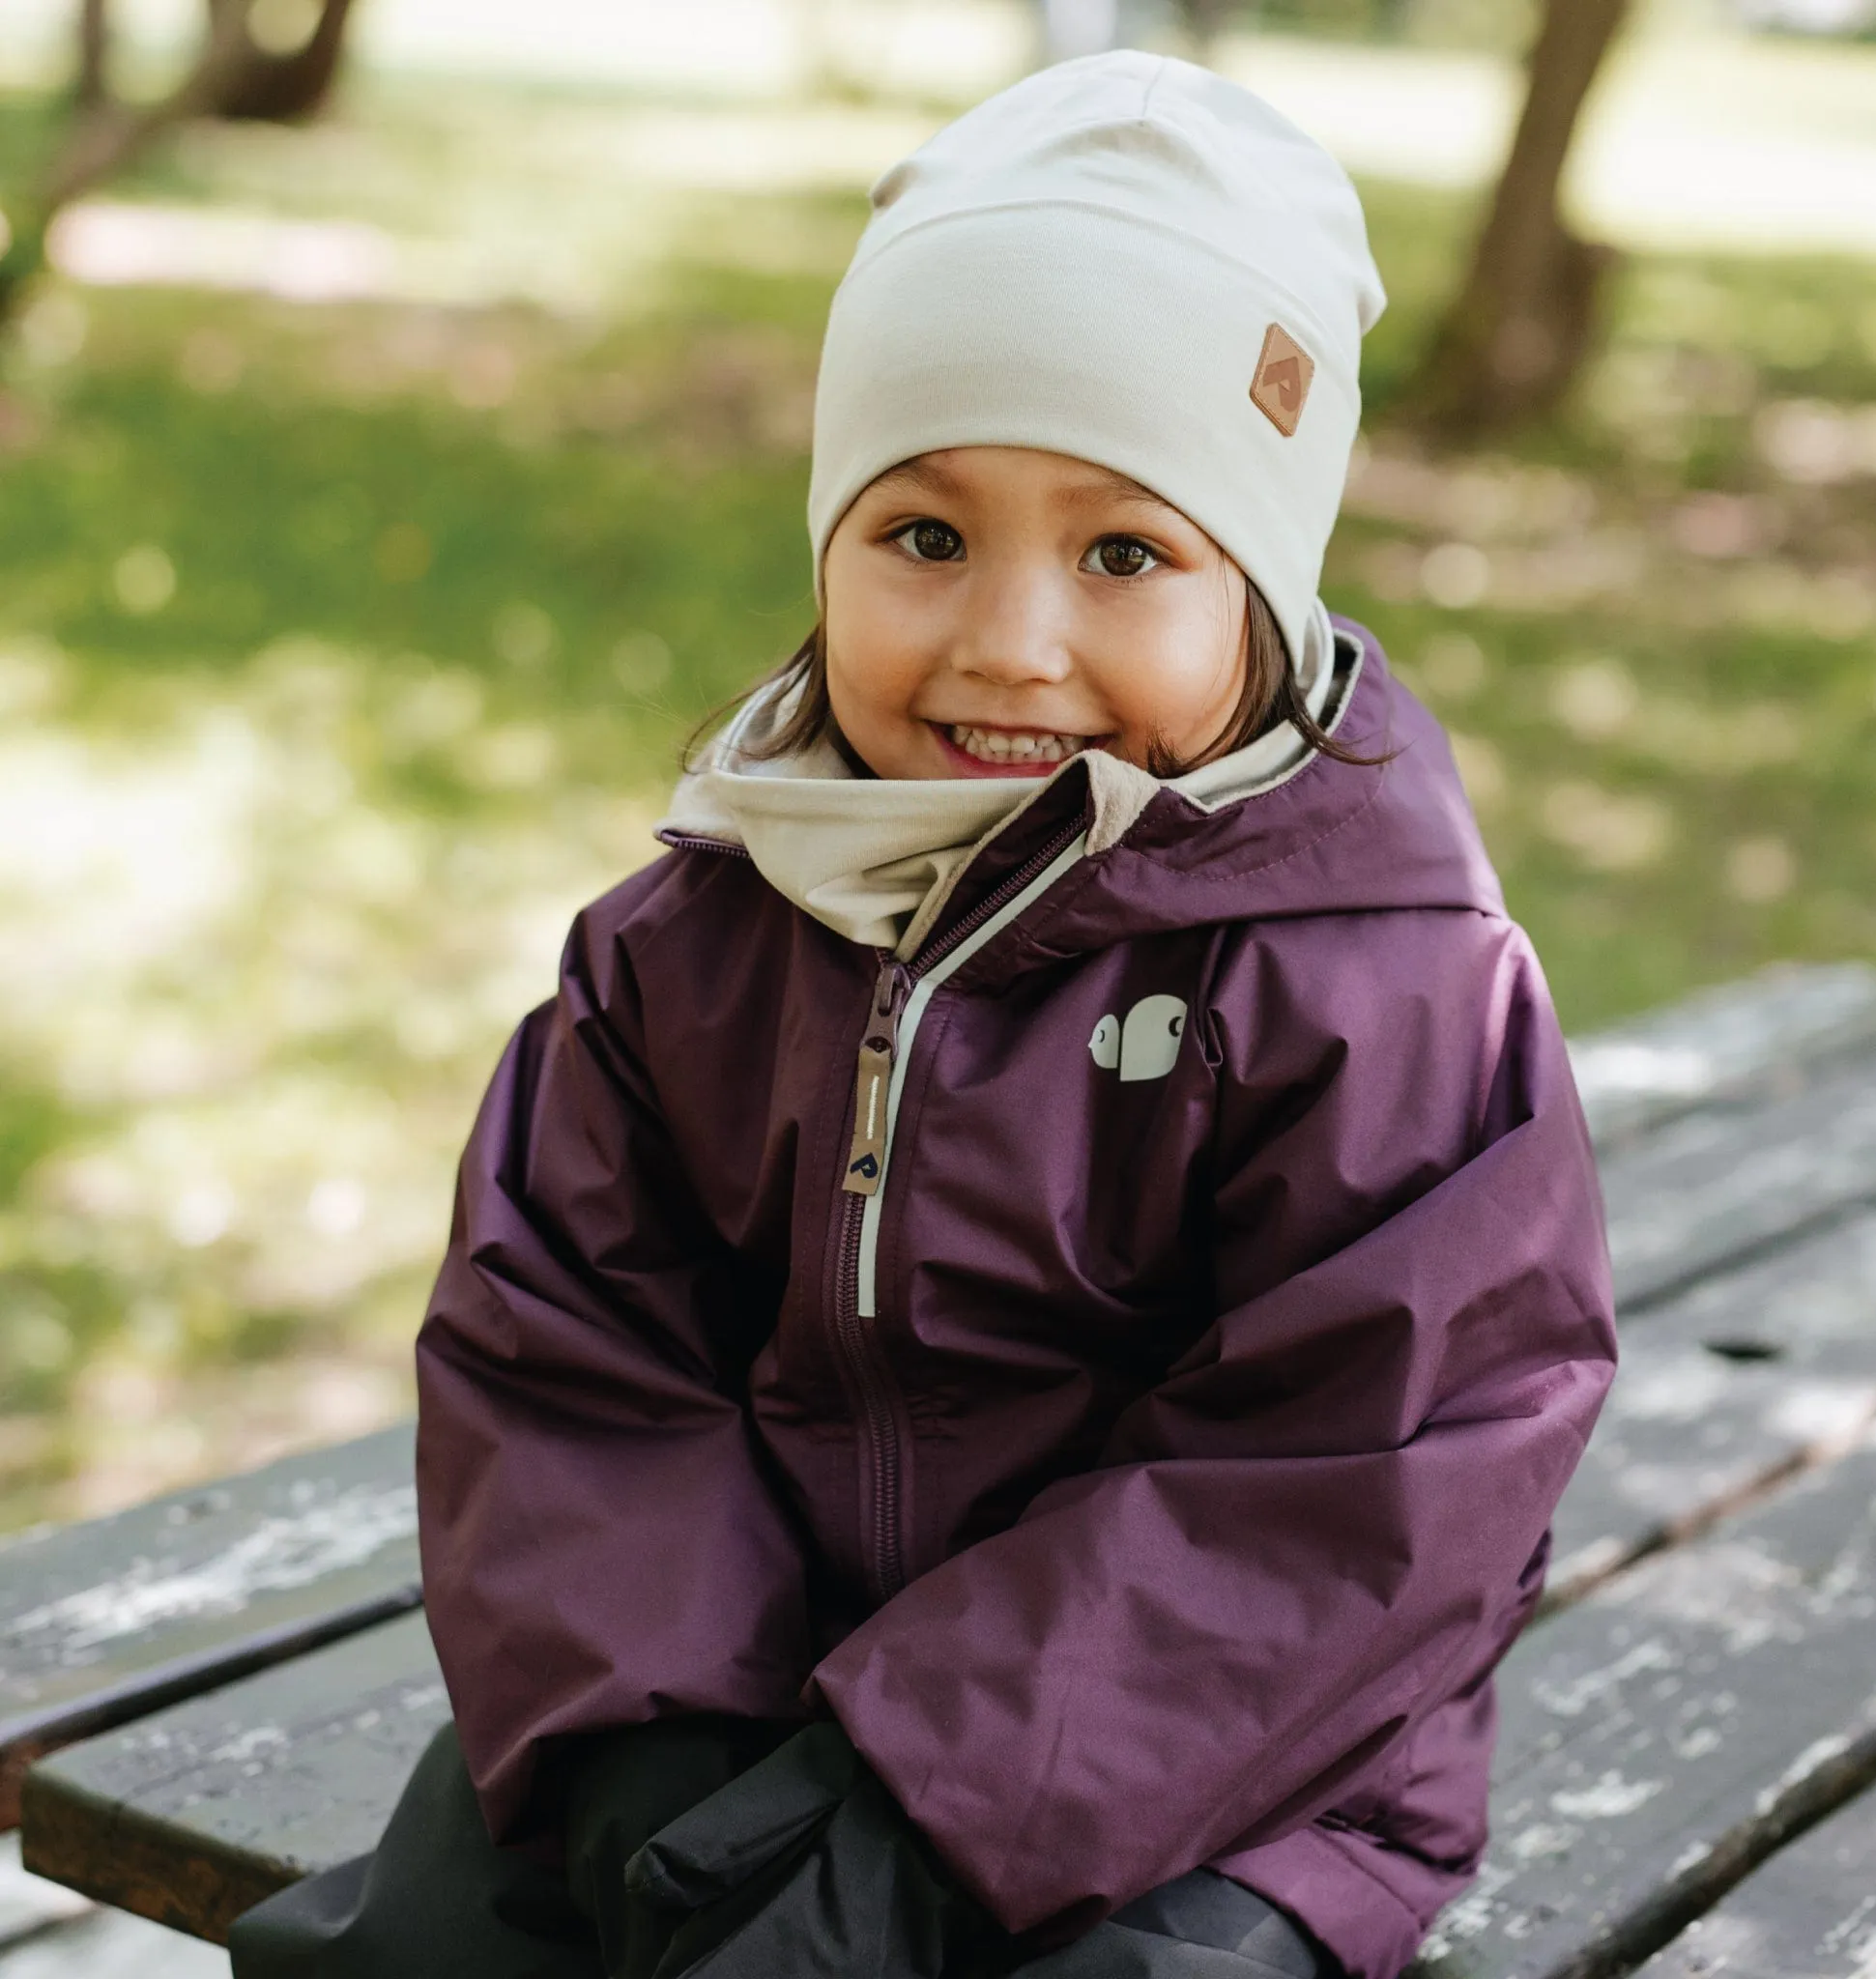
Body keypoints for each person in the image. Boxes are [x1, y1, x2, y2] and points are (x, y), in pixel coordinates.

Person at [231, 50, 1615, 1979]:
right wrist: (662, 1755)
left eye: (1123, 552)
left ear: (1265, 594)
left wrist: (911, 1817)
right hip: (725, 1679)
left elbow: (1359, 1484)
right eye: (924, 534)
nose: (1007, 639)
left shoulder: (1390, 988)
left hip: (1218, 1770)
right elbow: (563, 1359)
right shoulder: (688, 944)